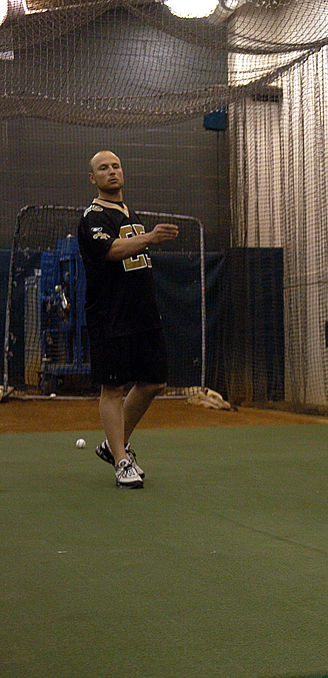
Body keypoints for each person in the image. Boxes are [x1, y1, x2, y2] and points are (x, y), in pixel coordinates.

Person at [77, 150, 178, 489]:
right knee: (112, 387)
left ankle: (112, 445)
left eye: (116, 166)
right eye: (103, 168)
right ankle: (122, 461)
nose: (112, 172)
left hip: (143, 314)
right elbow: (111, 251)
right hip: (110, 316)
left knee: (154, 382)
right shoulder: (93, 216)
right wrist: (150, 237)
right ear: (92, 178)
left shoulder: (128, 212)